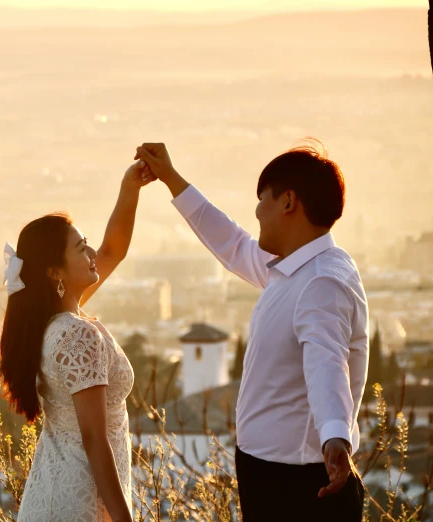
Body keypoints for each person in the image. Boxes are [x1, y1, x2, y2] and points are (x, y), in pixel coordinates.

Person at [135, 141, 367, 522]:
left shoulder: (322, 281)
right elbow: (233, 244)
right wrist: (172, 179)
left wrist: (334, 437)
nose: (257, 212)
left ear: (288, 202)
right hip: (272, 475)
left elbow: (326, 363)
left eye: (263, 200)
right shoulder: (295, 267)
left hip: (301, 485)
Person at [0, 160, 156, 521]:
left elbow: (111, 252)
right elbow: (94, 439)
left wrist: (130, 188)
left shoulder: (50, 324)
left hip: (54, 493)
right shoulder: (77, 333)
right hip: (80, 503)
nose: (92, 254)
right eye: (81, 248)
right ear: (55, 272)